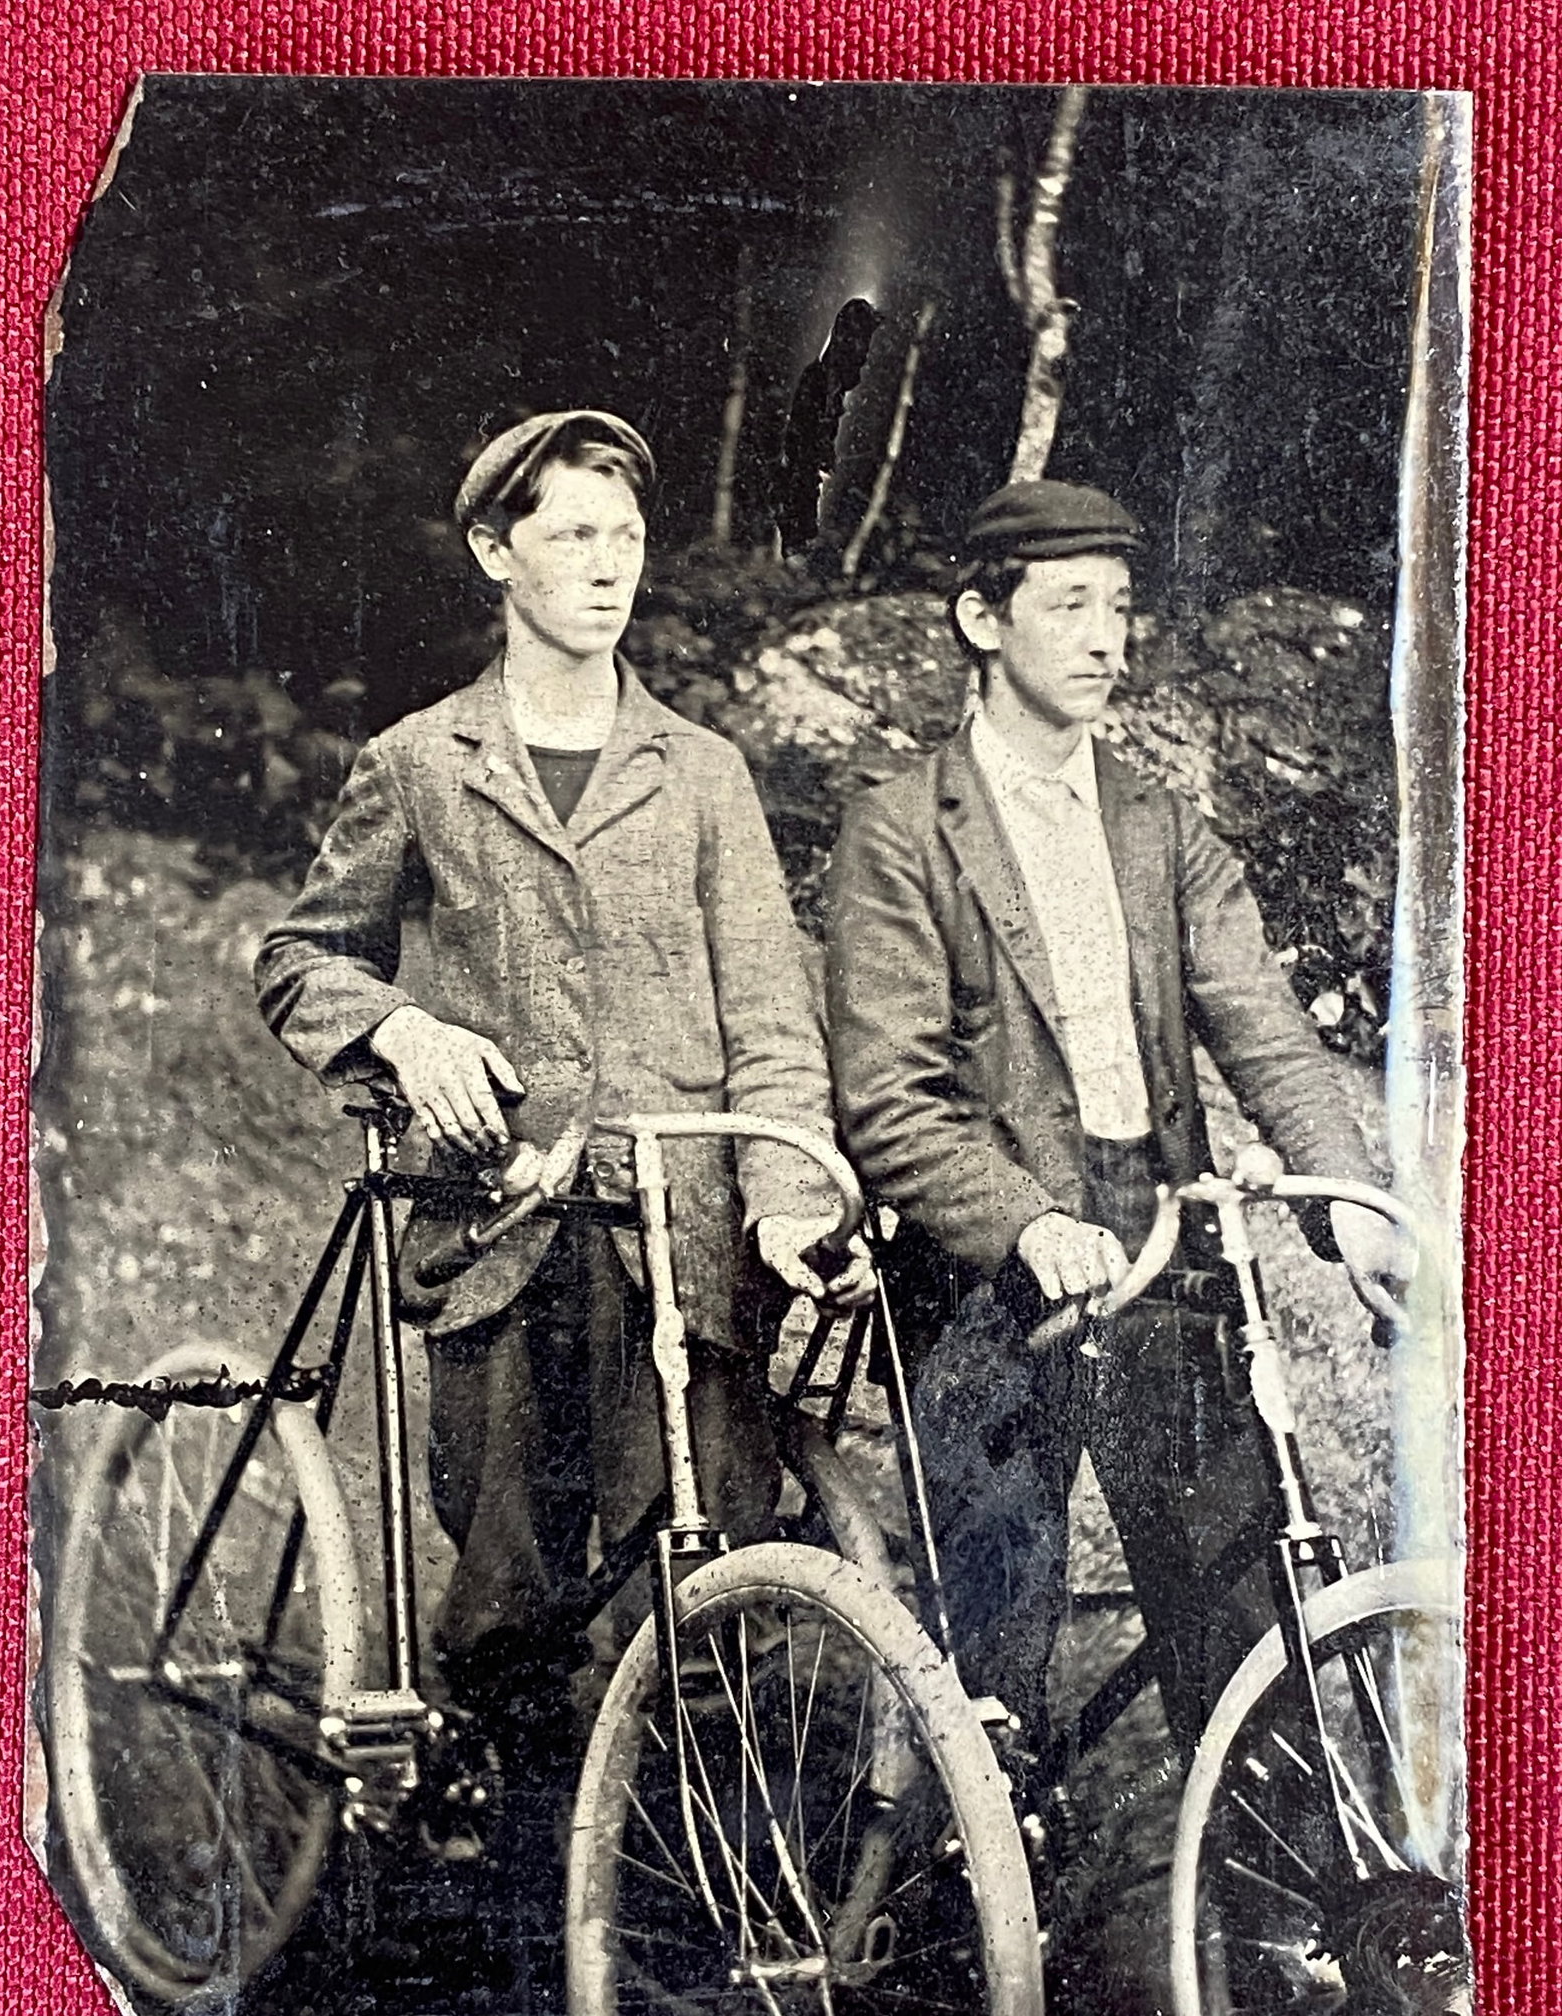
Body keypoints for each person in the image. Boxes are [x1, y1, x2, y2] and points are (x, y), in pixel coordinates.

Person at [256, 409, 869, 1759]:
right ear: (495, 551)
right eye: (573, 534)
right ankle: (521, 1895)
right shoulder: (421, 763)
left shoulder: (705, 775)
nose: (608, 566)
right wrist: (408, 1036)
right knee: (507, 1613)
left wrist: (778, 1199)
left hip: (686, 1247)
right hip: (505, 1241)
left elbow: (772, 1024)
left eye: (628, 537)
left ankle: (680, 1910)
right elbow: (301, 961)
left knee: (704, 1595)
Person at [824, 477, 1405, 1784]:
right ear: (983, 618)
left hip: (1158, 1229)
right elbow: (889, 1100)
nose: (1106, 638)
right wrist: (1026, 1221)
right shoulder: (903, 829)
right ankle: (945, 1938)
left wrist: (1351, 1200)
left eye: (1121, 608)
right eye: (1070, 605)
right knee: (995, 1620)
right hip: (985, 1271)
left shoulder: (1154, 821)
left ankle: (1276, 1926)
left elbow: (1259, 1022)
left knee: (1239, 1605)